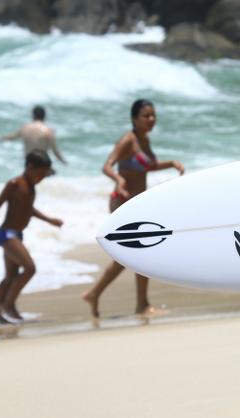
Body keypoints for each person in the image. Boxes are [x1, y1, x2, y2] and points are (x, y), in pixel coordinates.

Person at [82, 99, 184, 318]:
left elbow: (149, 165)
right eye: (146, 116)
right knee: (139, 252)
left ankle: (96, 293)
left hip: (138, 205)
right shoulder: (128, 140)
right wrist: (118, 180)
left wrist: (171, 163)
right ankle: (141, 305)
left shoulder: (144, 140)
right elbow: (106, 166)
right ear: (134, 118)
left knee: (131, 254)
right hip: (123, 202)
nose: (151, 119)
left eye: (153, 115)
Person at [0, 149, 63, 324]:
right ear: (30, 167)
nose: (42, 178)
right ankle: (7, 305)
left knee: (10, 276)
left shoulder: (31, 187)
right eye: (40, 174)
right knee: (30, 268)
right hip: (6, 234)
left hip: (17, 235)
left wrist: (49, 220)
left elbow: (28, 209)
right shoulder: (14, 184)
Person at [0, 105, 67, 163]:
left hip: (29, 164)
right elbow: (55, 152)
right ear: (44, 116)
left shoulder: (25, 128)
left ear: (33, 115)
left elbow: (13, 137)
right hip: (41, 163)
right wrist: (63, 161)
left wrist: (2, 138)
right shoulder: (48, 131)